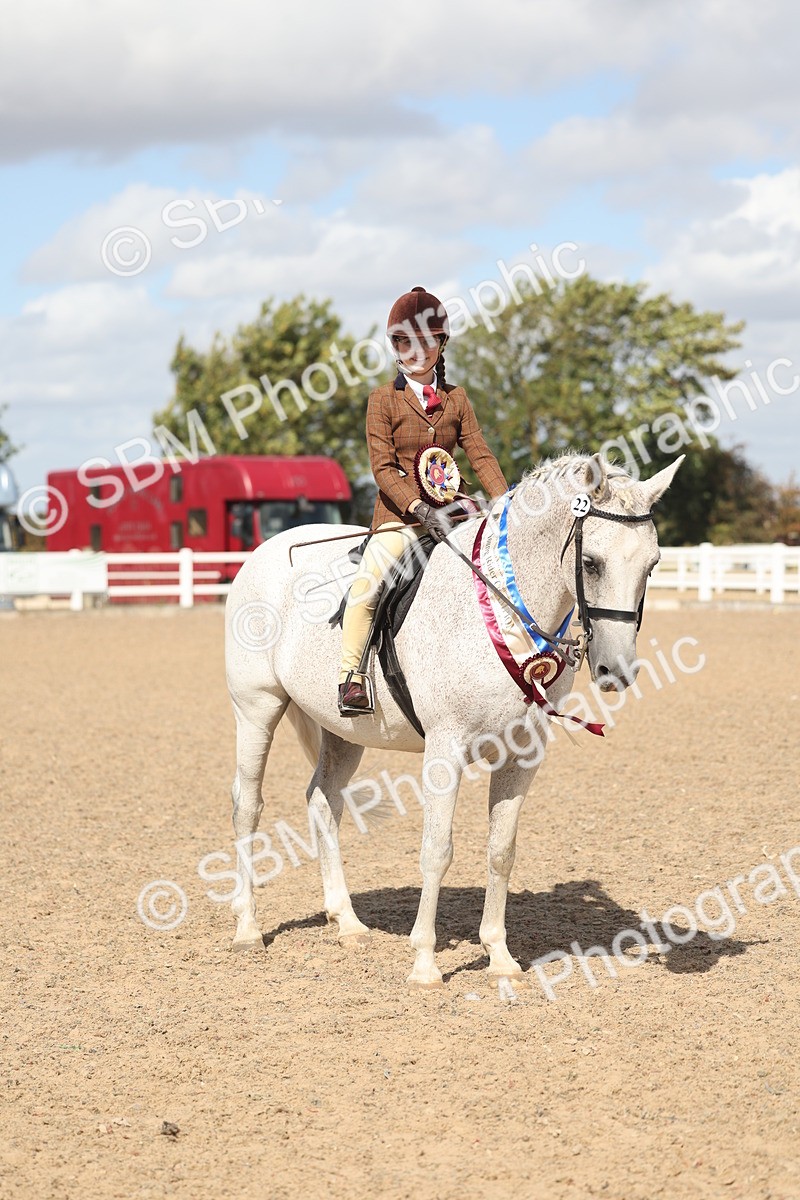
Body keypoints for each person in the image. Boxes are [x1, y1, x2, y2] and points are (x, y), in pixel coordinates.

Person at [338, 286, 509, 714]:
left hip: (455, 510)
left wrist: (505, 501)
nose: (416, 352)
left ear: (441, 344)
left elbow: (479, 453)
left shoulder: (457, 397)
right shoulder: (382, 399)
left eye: (426, 341)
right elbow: (382, 468)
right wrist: (418, 508)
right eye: (405, 343)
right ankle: (352, 676)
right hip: (401, 517)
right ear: (395, 346)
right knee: (367, 587)